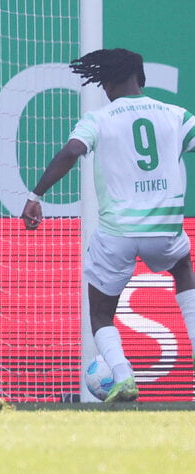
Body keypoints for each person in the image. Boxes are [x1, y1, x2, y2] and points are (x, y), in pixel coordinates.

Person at [22, 48, 195, 403]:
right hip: (164, 230)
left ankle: (122, 375)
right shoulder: (176, 115)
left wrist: (36, 195)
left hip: (117, 233)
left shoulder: (98, 119)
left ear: (106, 80)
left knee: (101, 311)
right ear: (141, 78)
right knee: (182, 269)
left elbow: (71, 151)